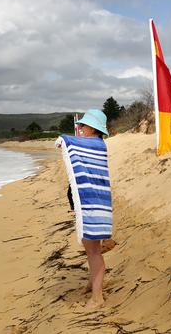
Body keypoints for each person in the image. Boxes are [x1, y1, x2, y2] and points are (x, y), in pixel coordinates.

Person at [55, 109, 112, 309]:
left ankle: (98, 298)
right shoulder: (96, 144)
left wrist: (63, 139)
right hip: (93, 203)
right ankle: (92, 283)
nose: (80, 128)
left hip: (93, 205)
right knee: (91, 249)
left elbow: (70, 141)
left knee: (94, 252)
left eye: (83, 125)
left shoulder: (95, 144)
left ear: (93, 127)